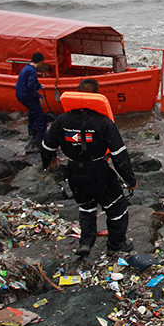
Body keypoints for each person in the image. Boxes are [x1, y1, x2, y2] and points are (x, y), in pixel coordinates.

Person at [41, 79, 137, 257]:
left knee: (86, 207)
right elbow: (118, 154)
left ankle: (86, 242)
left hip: (75, 172)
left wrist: (48, 161)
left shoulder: (63, 120)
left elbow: (47, 145)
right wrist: (130, 179)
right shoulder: (104, 122)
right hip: (98, 170)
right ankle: (116, 244)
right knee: (116, 207)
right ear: (97, 96)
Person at [16, 52, 47, 145]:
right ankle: (41, 137)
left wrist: (39, 86)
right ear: (41, 62)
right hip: (26, 95)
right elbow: (30, 86)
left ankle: (32, 130)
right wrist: (39, 96)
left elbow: (31, 83)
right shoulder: (33, 70)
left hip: (19, 94)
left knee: (32, 111)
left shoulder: (26, 68)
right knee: (41, 115)